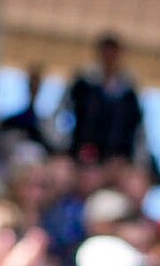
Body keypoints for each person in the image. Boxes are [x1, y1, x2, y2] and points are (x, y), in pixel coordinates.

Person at [55, 36, 148, 178]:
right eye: (106, 52)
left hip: (117, 162)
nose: (109, 57)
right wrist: (65, 148)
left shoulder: (129, 93)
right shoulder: (82, 84)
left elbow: (139, 131)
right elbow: (61, 115)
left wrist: (133, 162)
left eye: (113, 53)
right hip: (80, 157)